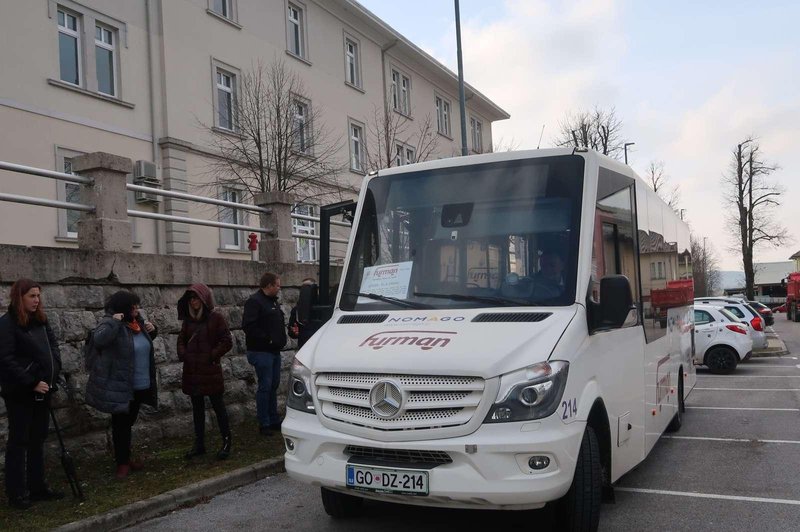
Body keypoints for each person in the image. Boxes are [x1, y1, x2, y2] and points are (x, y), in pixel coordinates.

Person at [0, 279, 64, 509]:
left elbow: (53, 348)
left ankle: (37, 487)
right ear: (20, 297)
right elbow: (6, 361)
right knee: (19, 442)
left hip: (43, 389)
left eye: (38, 296)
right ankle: (16, 494)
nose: (36, 300)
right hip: (20, 393)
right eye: (31, 296)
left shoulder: (41, 321)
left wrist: (53, 374)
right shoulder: (7, 324)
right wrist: (32, 382)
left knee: (38, 439)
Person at [85, 290, 158, 480]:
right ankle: (122, 463)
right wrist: (114, 322)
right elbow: (99, 340)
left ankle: (125, 457)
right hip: (121, 384)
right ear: (124, 308)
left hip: (140, 383)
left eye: (137, 306)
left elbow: (142, 345)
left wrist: (153, 330)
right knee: (121, 424)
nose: (136, 309)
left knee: (128, 422)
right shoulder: (110, 322)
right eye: (132, 306)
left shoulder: (138, 323)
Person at [177, 284, 233, 460]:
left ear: (203, 299)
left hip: (210, 371)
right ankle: (199, 444)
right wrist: (184, 354)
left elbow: (226, 341)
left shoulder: (216, 318)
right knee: (197, 410)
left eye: (196, 298)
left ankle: (226, 441)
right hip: (193, 371)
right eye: (191, 298)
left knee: (219, 408)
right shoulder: (188, 321)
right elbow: (181, 340)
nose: (193, 301)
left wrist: (211, 355)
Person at [242, 272, 287, 436]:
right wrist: (267, 339)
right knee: (265, 386)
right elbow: (248, 326)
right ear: (269, 286)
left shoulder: (273, 302)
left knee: (273, 385)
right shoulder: (255, 302)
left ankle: (273, 418)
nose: (279, 288)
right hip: (261, 351)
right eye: (277, 285)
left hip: (274, 351)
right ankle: (264, 422)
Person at [288, 278, 316, 350]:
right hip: (304, 346)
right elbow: (291, 329)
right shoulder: (297, 310)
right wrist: (294, 332)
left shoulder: (321, 307)